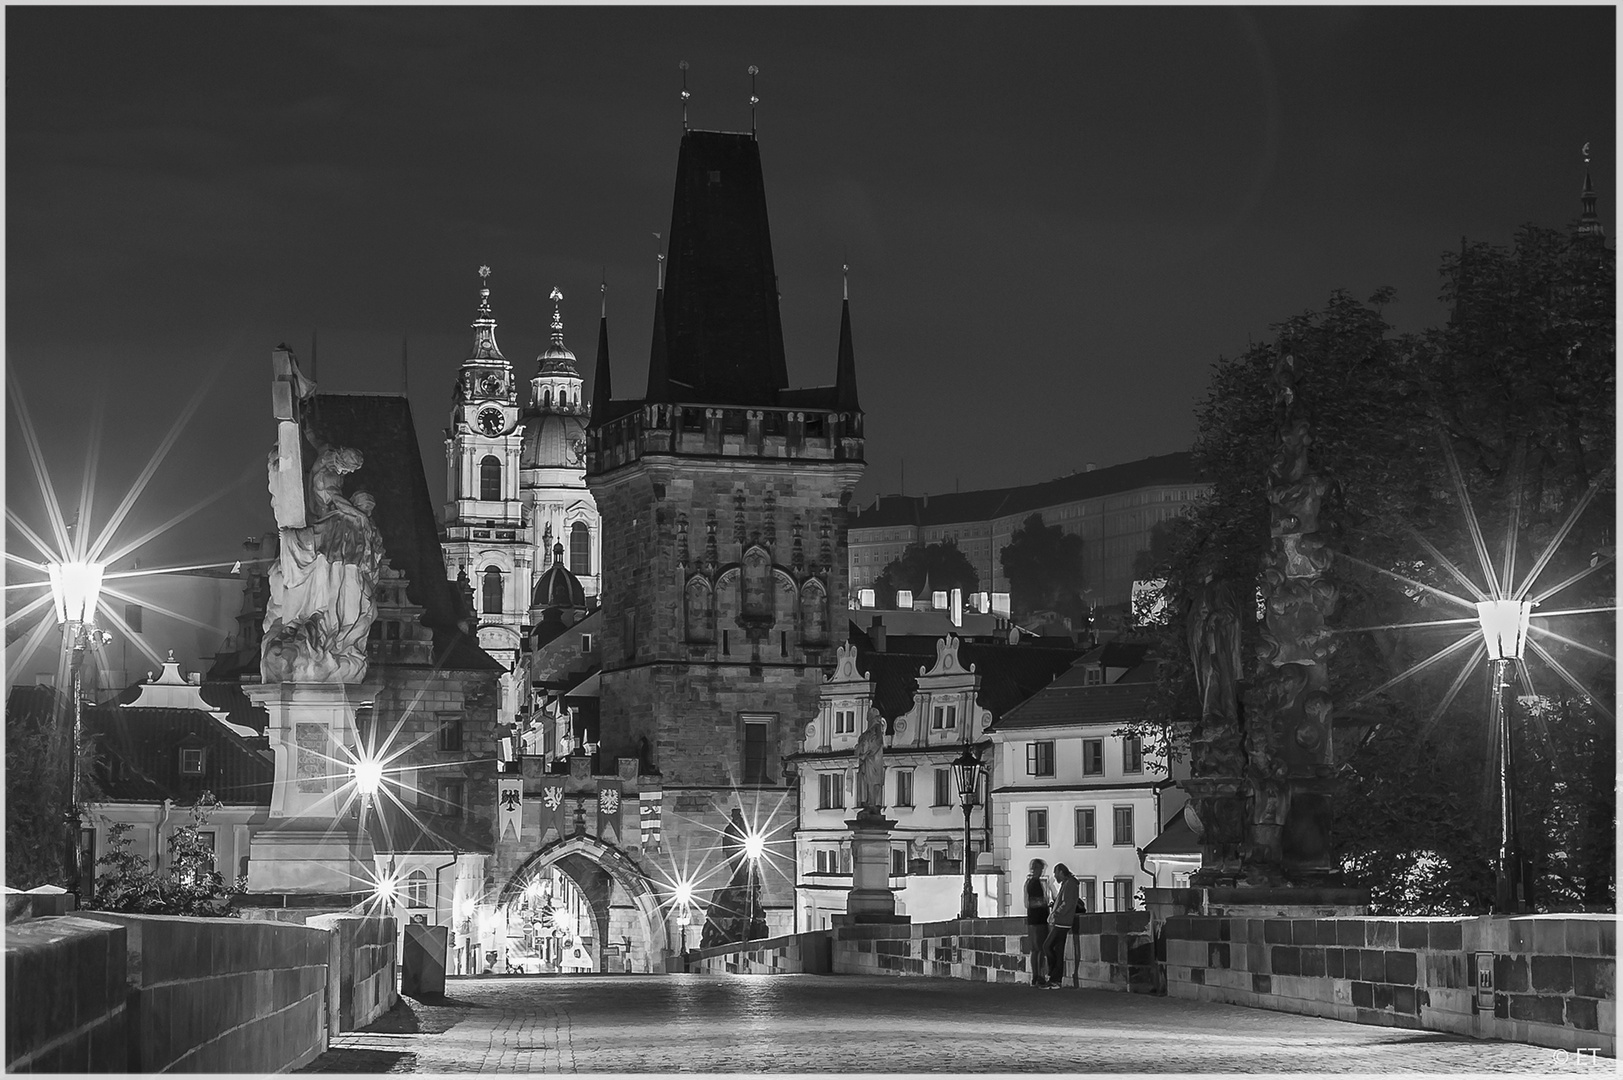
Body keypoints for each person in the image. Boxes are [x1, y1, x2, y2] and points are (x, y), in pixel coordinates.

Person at [1042, 863, 1082, 989]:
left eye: (1056, 873)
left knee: (1047, 946)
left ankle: (1054, 976)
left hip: (1062, 922)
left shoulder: (1069, 884)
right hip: (1063, 922)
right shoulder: (1069, 883)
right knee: (1058, 951)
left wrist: (1056, 913)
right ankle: (1055, 979)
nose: (1055, 876)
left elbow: (1067, 903)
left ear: (1061, 872)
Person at [1023, 858, 1051, 986]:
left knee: (1035, 949)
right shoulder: (1034, 883)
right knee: (1039, 948)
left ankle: (1036, 976)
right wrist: (1045, 904)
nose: (1041, 871)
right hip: (1038, 919)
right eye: (1040, 869)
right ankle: (1039, 976)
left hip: (1033, 919)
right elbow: (1032, 902)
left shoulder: (1029, 882)